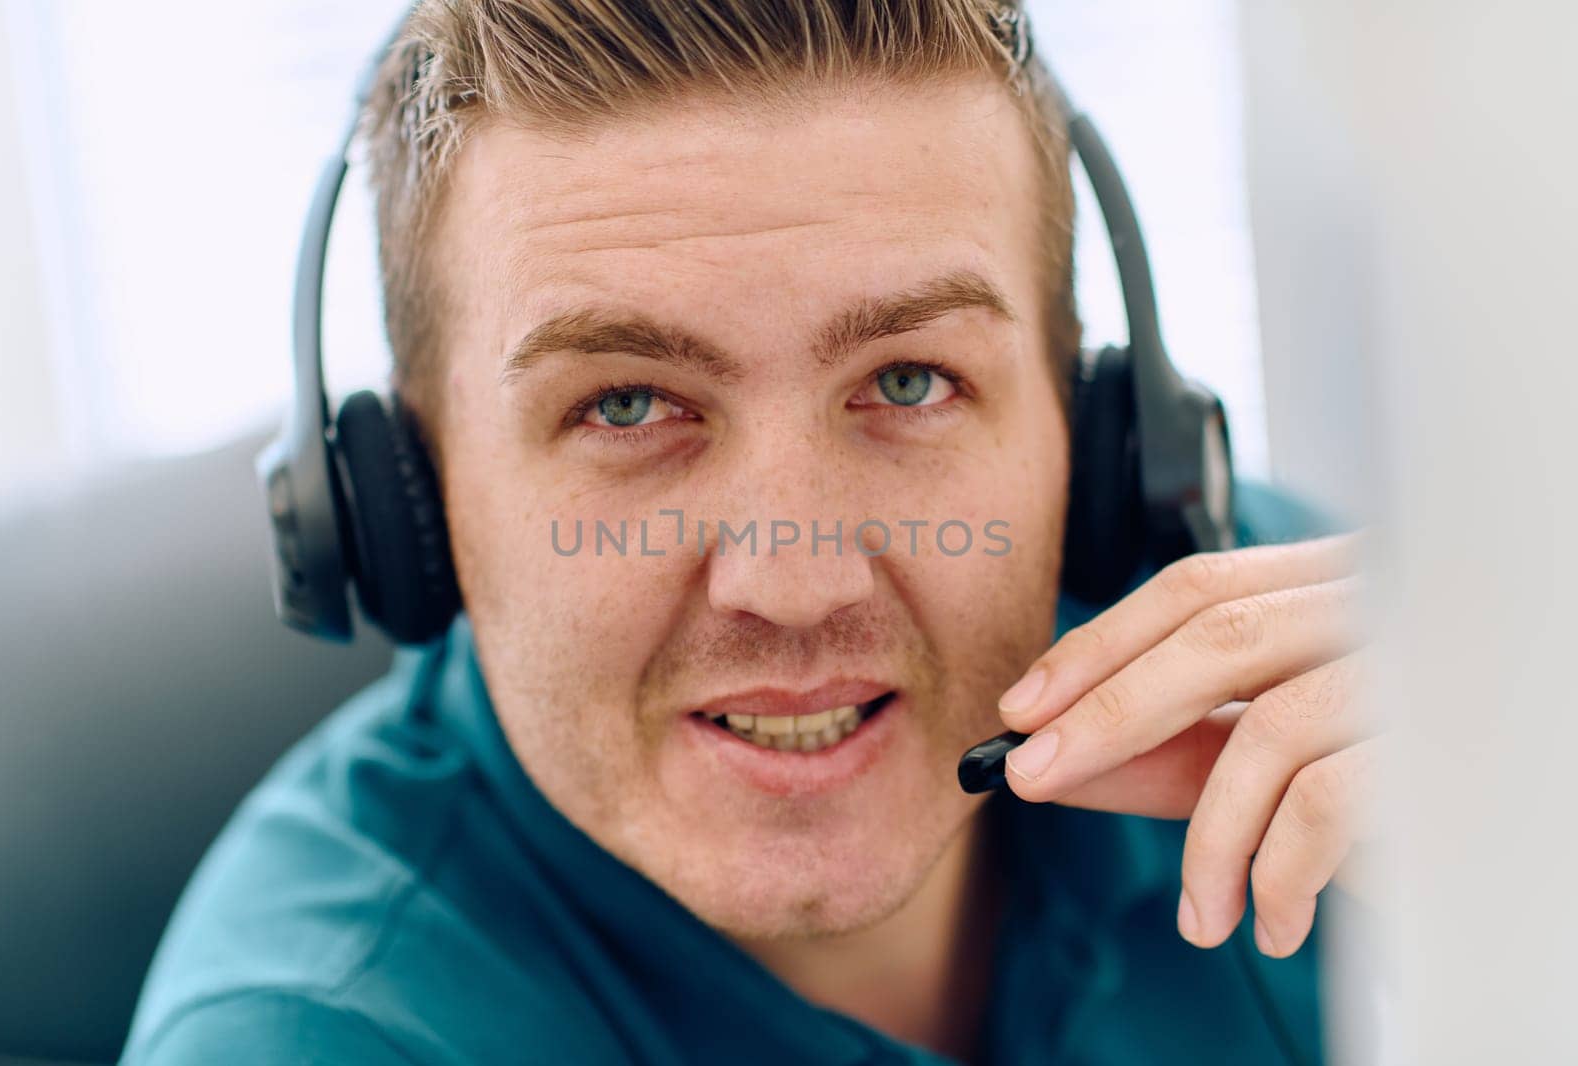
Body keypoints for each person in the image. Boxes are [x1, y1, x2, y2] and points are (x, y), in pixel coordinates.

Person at [123, 2, 1376, 1062]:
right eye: (624, 406)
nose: (793, 583)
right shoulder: (309, 1034)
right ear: (402, 505)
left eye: (908, 383)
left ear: (1098, 443)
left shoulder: (1307, 681)